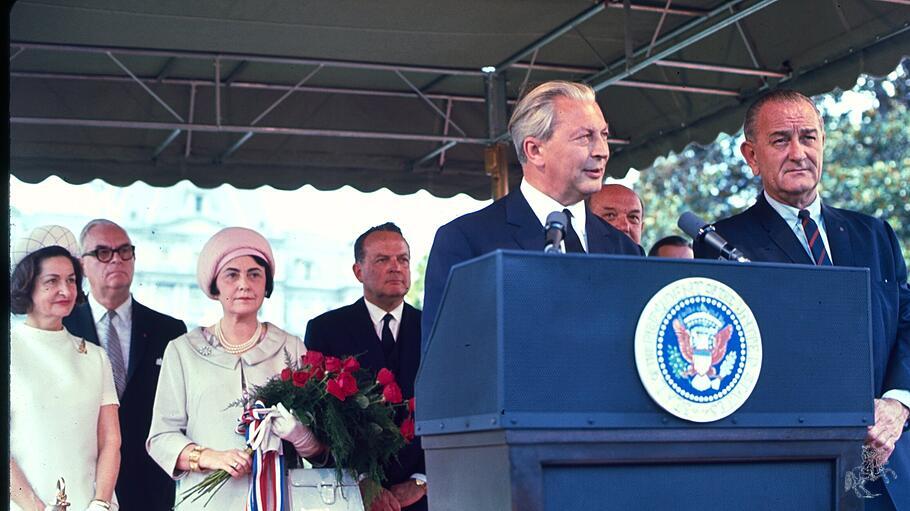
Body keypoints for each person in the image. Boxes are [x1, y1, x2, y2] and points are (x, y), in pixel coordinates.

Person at [693, 89, 910, 510]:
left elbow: (907, 321)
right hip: (795, 468)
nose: (798, 153)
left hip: (888, 461)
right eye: (780, 140)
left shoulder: (874, 233)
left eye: (808, 138)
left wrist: (898, 403)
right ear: (751, 156)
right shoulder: (724, 244)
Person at [422, 80, 643, 347]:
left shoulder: (626, 250)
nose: (602, 151)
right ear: (535, 150)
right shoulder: (467, 241)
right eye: (585, 137)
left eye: (604, 135)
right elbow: (447, 362)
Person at [146, 227, 324, 509]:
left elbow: (323, 448)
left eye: (254, 274)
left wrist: (298, 434)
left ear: (267, 286)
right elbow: (160, 438)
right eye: (232, 275)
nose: (244, 284)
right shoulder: (182, 351)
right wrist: (208, 457)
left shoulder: (293, 349)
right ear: (215, 287)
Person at [63, 219, 187, 511]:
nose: (116, 259)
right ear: (82, 264)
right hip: (81, 480)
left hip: (150, 485)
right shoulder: (62, 327)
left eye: (124, 251)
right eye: (103, 252)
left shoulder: (168, 330)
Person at [305, 222, 427, 511]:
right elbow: (318, 419)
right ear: (358, 271)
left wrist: (422, 480)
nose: (396, 267)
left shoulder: (435, 327)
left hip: (425, 497)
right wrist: (359, 478)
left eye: (403, 259)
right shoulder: (326, 330)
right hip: (351, 495)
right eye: (383, 259)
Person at [9, 225, 121, 511]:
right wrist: (36, 507)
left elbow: (110, 440)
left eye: (71, 280)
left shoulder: (95, 357)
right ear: (27, 284)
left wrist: (100, 503)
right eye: (52, 281)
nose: (65, 290)